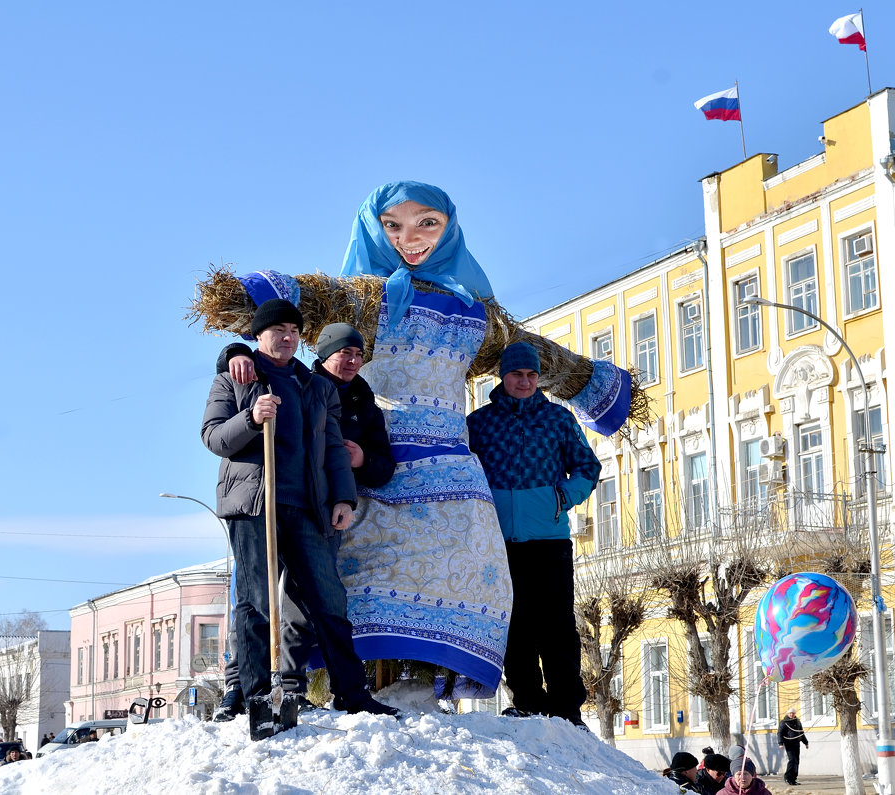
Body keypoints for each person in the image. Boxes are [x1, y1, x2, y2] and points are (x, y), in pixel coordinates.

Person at [191, 181, 637, 691]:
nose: (412, 238)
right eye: (392, 225)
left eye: (428, 222)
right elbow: (294, 310)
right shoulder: (362, 300)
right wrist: (238, 338)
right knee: (342, 577)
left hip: (450, 469)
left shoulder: (477, 312)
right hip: (368, 454)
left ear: (449, 227)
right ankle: (313, 682)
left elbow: (529, 353)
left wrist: (591, 386)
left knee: (472, 569)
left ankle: (430, 682)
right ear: (372, 228)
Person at [201, 298, 397, 730]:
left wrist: (343, 499)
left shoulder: (316, 387)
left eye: (294, 330)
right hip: (255, 506)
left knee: (329, 599)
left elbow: (332, 447)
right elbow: (214, 437)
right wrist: (251, 418)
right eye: (278, 330)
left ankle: (352, 693)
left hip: (307, 507)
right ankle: (256, 697)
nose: (287, 337)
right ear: (258, 335)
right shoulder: (235, 379)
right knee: (257, 602)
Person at [467, 341, 600, 725]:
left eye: (530, 375)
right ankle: (527, 699)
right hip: (498, 541)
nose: (524, 381)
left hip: (550, 539)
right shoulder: (479, 423)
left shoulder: (558, 420)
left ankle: (566, 707)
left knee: (557, 625)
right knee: (514, 624)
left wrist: (561, 497)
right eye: (516, 374)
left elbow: (588, 469)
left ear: (538, 379)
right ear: (503, 377)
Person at [778, 707, 809, 785]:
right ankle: (787, 777)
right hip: (789, 743)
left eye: (793, 713)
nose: (791, 714)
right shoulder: (784, 722)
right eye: (790, 713)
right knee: (792, 760)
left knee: (796, 761)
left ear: (795, 714)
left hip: (796, 743)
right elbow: (780, 733)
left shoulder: (797, 722)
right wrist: (780, 743)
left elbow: (801, 733)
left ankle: (793, 779)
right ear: (788, 714)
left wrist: (806, 742)